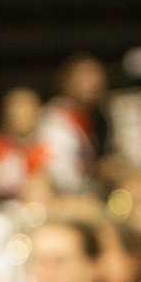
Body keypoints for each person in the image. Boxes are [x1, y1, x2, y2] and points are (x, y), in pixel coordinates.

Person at [0, 87, 50, 204]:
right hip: (0, 209)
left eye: (26, 110)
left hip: (45, 207)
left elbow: (66, 183)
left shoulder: (52, 144)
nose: (20, 115)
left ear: (38, 113)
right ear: (4, 113)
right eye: (15, 110)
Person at [42, 54, 108, 195]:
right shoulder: (55, 119)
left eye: (96, 75)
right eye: (84, 75)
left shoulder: (97, 119)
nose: (93, 81)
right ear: (66, 80)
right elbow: (58, 175)